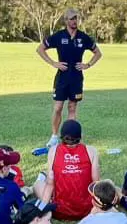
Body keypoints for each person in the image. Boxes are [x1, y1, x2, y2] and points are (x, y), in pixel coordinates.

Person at [37, 8, 102, 146]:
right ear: (66, 21)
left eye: (76, 18)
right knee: (58, 107)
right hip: (62, 78)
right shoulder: (59, 36)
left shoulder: (83, 37)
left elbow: (98, 53)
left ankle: (71, 138)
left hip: (76, 78)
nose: (74, 21)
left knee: (72, 108)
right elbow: (40, 49)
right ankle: (54, 136)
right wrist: (53, 63)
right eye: (71, 18)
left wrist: (88, 65)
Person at [36, 119, 99, 221]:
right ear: (81, 136)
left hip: (60, 211)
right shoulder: (91, 151)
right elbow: (96, 183)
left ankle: (45, 208)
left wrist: (41, 210)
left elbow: (49, 183)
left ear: (61, 136)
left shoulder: (53, 150)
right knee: (107, 183)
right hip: (86, 210)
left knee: (38, 184)